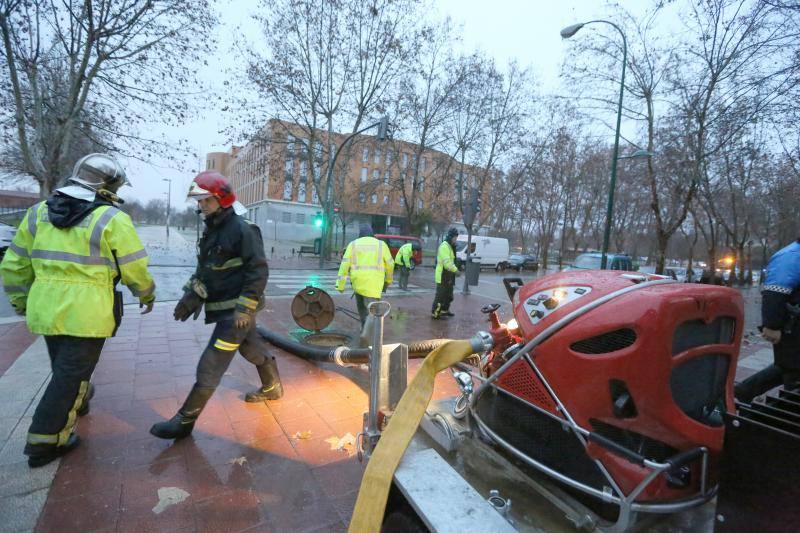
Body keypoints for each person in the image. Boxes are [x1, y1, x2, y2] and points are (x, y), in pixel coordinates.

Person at [0, 153, 155, 467]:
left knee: (65, 366)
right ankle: (45, 440)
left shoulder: (37, 213)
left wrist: (21, 302)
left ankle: (80, 400)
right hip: (88, 313)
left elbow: (14, 265)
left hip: (46, 309)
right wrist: (146, 294)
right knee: (70, 375)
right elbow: (134, 266)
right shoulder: (111, 219)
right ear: (108, 187)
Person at [150, 171, 282, 440]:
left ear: (222, 199)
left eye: (206, 200)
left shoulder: (243, 230)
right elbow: (208, 269)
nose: (201, 206)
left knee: (212, 361)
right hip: (225, 308)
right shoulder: (213, 229)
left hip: (235, 313)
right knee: (251, 348)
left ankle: (185, 420)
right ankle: (273, 387)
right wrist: (192, 294)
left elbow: (258, 272)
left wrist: (245, 308)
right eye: (199, 202)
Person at [735, 237, 800, 402]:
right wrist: (772, 326)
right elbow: (774, 292)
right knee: (793, 370)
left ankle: (741, 392)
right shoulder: (792, 255)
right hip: (792, 328)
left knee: (787, 366)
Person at [335, 224, 394, 326]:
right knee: (373, 313)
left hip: (357, 284)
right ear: (372, 235)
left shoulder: (353, 244)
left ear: (360, 235)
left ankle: (364, 329)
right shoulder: (381, 245)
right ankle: (369, 336)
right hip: (373, 286)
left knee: (362, 309)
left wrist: (340, 285)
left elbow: (344, 265)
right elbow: (390, 264)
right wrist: (388, 281)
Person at [431, 228, 460, 319]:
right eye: (455, 237)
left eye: (456, 238)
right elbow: (447, 263)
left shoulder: (450, 246)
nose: (456, 239)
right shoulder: (444, 246)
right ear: (451, 237)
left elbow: (452, 260)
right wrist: (456, 270)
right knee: (440, 296)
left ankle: (444, 311)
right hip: (443, 275)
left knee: (448, 295)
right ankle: (435, 313)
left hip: (448, 276)